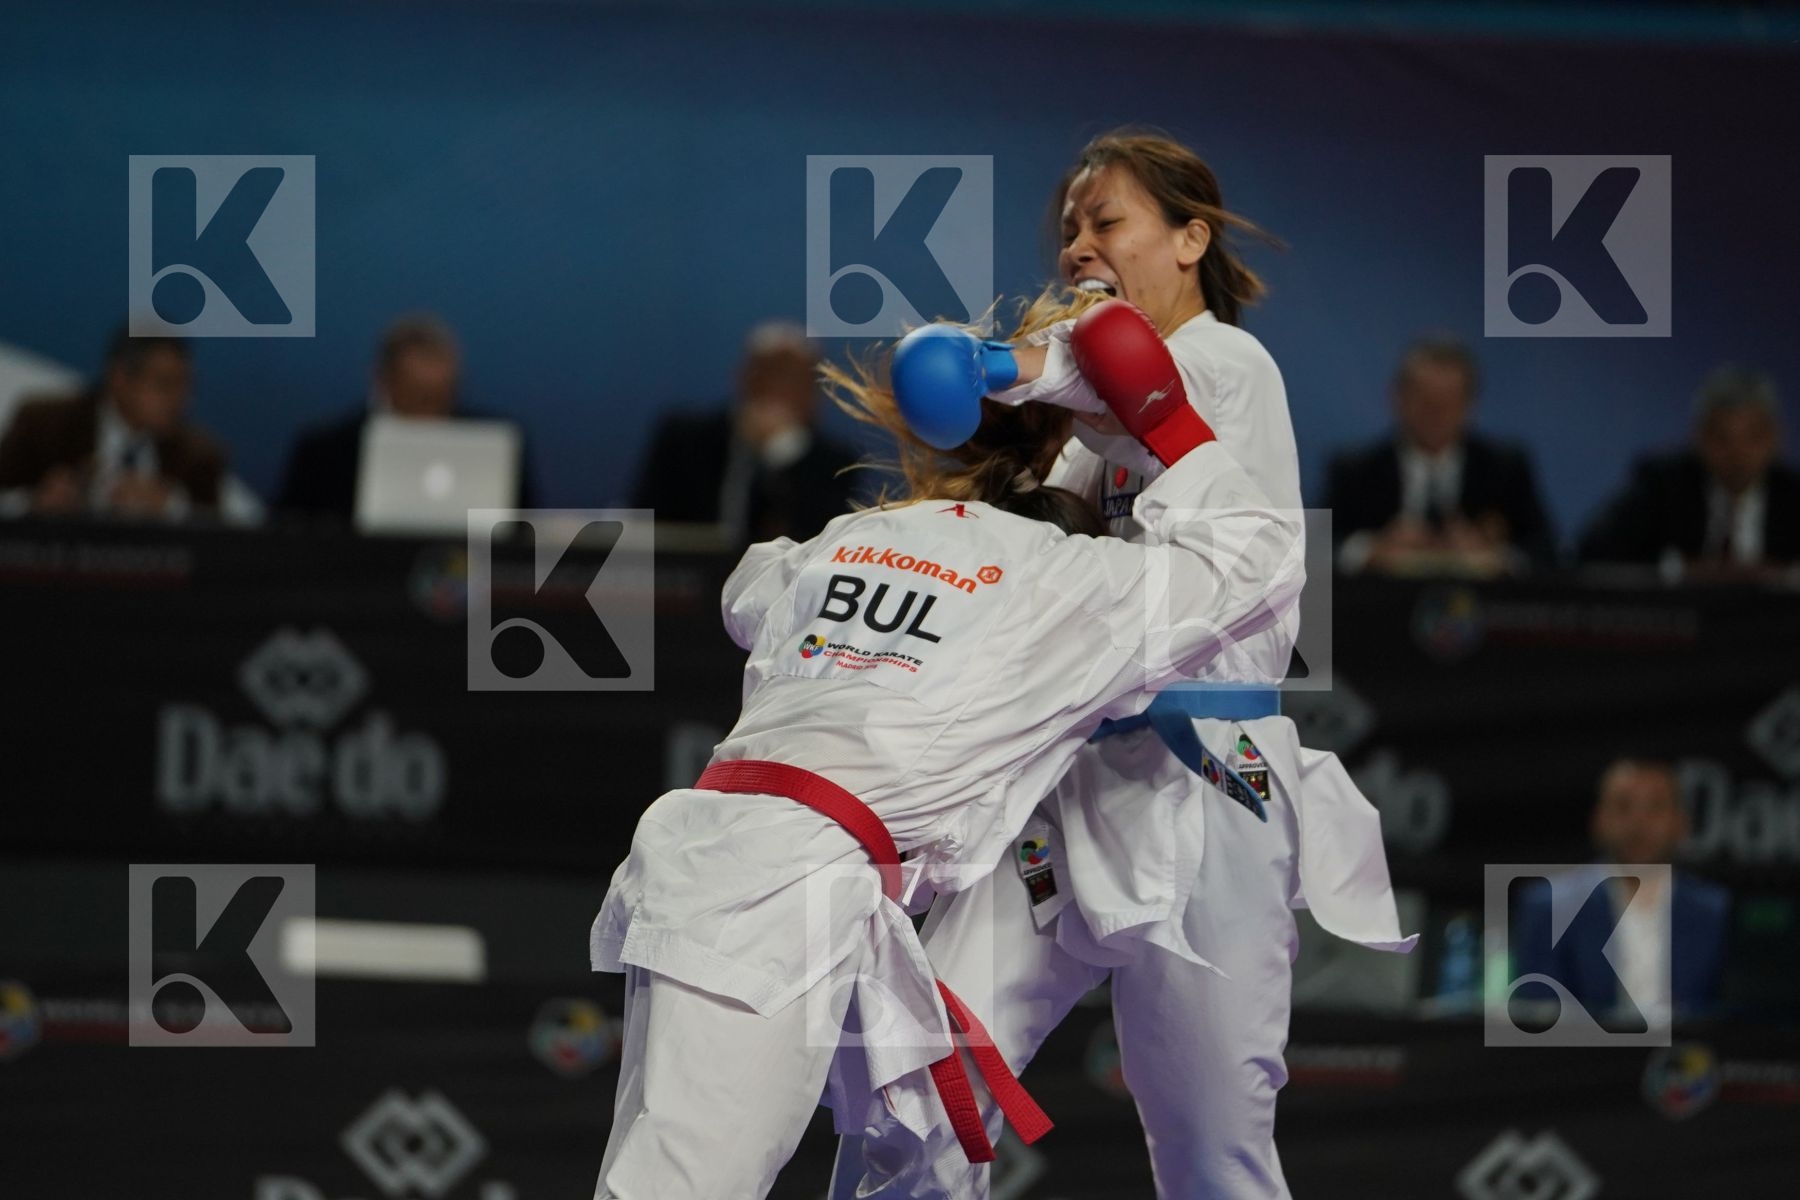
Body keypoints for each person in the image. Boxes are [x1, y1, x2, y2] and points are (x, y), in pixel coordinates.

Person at [587, 295, 1306, 1200]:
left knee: (659, 1172)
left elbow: (749, 589)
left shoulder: (859, 535)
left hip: (699, 858)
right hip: (784, 892)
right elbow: (1257, 557)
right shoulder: (1067, 585)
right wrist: (1169, 422)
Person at [832, 130, 1414, 1200]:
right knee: (921, 1068)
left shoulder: (1229, 367)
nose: (1079, 246)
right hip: (1068, 788)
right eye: (1068, 230)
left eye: (1107, 222)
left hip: (1209, 789)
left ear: (1191, 239)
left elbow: (1120, 370)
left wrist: (997, 363)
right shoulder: (1077, 433)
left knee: (1209, 1155)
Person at [1513, 759, 1730, 1025]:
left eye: (1655, 807)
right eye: (1623, 807)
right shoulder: (1549, 904)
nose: (1639, 823)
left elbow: (1727, 1014)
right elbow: (1541, 1014)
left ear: (1680, 822)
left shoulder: (1715, 910)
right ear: (1598, 820)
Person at [1325, 335, 1555, 575]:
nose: (1436, 414)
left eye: (1449, 402)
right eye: (1425, 401)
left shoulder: (1504, 467)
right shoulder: (1356, 469)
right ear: (1398, 398)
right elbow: (1310, 552)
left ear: (1470, 405)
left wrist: (1496, 556)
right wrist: (1370, 549)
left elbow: (1547, 552)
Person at [274, 314, 535, 517]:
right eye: (418, 397)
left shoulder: (497, 446)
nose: (430, 413)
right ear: (384, 381)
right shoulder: (325, 452)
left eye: (442, 397)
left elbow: (524, 538)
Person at [632, 320, 860, 545]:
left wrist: (782, 451)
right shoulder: (684, 440)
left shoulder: (834, 463)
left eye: (794, 378)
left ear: (814, 395)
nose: (777, 387)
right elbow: (645, 527)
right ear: (743, 377)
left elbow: (818, 544)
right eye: (768, 372)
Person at [0, 327, 256, 522]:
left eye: (186, 386)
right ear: (120, 379)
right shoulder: (44, 425)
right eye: (164, 384)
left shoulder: (199, 455)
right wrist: (33, 503)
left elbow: (220, 541)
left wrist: (170, 507)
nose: (180, 400)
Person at [1578, 364, 1798, 570]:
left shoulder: (1793, 493)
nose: (1737, 453)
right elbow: (1593, 551)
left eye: (1753, 437)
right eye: (1722, 438)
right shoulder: (1662, 487)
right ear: (1698, 438)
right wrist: (1676, 569)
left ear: (1775, 438)